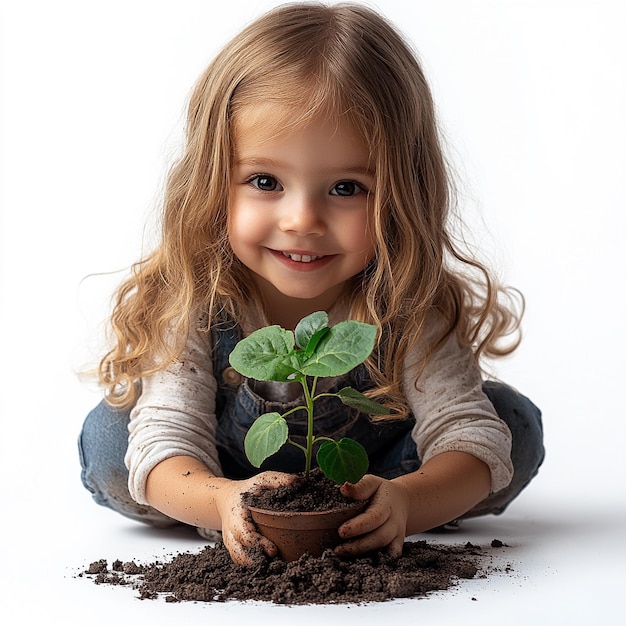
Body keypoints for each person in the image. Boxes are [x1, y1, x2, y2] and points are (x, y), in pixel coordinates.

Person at [79, 2, 544, 565]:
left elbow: (462, 429)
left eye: (347, 188)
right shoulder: (198, 293)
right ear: (212, 182)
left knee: (510, 423)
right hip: (222, 475)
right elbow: (169, 432)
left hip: (368, 481)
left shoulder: (405, 295)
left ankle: (360, 522)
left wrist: (402, 502)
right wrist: (224, 501)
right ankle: (220, 515)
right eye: (265, 180)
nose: (302, 219)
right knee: (112, 435)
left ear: (401, 192)